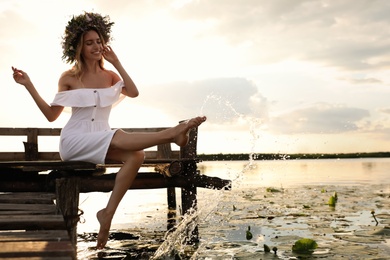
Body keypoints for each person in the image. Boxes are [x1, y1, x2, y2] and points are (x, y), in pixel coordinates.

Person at [11, 12, 206, 249]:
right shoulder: (70, 77)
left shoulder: (110, 76)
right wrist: (29, 85)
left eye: (98, 41)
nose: (96, 46)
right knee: (118, 135)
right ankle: (172, 133)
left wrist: (117, 62)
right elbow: (52, 115)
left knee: (137, 156)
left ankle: (107, 214)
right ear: (79, 48)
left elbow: (133, 92)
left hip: (103, 137)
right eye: (89, 42)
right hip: (75, 141)